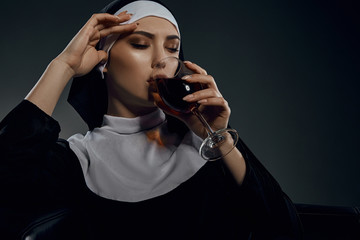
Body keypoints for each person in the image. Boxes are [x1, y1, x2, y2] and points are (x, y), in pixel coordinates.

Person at [0, 0, 302, 239]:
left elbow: (284, 227)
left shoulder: (208, 149)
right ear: (103, 60)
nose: (161, 60)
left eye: (172, 48)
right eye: (140, 44)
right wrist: (63, 66)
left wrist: (218, 134)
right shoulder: (78, 161)